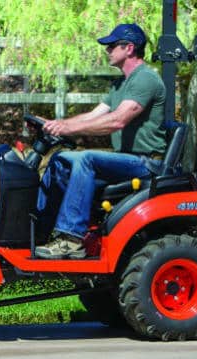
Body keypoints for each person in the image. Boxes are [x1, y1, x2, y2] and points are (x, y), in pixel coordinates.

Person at [33, 23, 168, 259]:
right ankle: (41, 231)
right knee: (60, 160)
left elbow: (117, 121)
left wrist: (67, 127)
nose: (107, 51)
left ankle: (71, 239)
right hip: (127, 160)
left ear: (129, 48)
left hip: (145, 162)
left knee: (85, 159)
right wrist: (56, 124)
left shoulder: (146, 79)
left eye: (111, 46)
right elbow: (95, 115)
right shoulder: (120, 84)